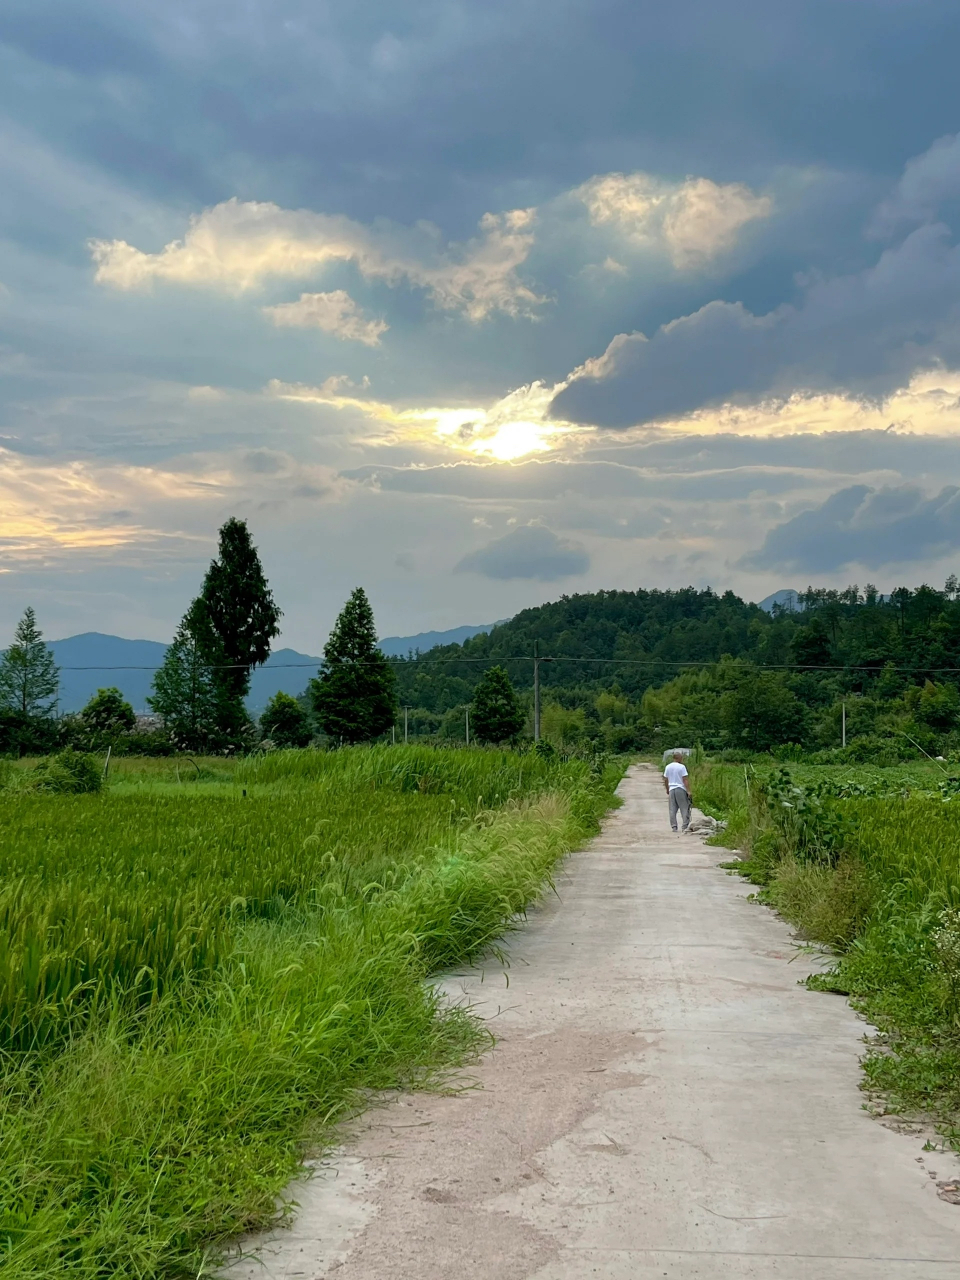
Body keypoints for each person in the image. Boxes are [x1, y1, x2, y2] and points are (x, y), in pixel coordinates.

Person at [663, 751, 691, 833]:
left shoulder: (668, 767)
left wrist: (667, 789)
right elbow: (685, 779)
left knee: (672, 809)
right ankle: (685, 826)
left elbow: (665, 779)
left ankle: (674, 827)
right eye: (681, 758)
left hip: (672, 789)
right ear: (678, 758)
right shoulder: (682, 767)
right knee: (684, 808)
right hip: (680, 789)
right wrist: (688, 791)